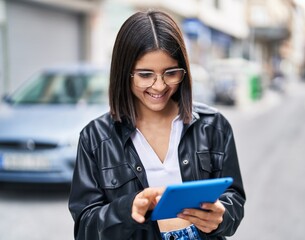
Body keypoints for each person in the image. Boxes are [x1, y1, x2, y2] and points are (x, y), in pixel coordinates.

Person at [68, 10, 246, 240]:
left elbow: (234, 199)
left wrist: (222, 216)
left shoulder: (214, 126)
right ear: (125, 74)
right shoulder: (95, 137)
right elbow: (85, 228)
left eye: (170, 73)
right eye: (145, 75)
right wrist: (127, 210)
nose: (159, 86)